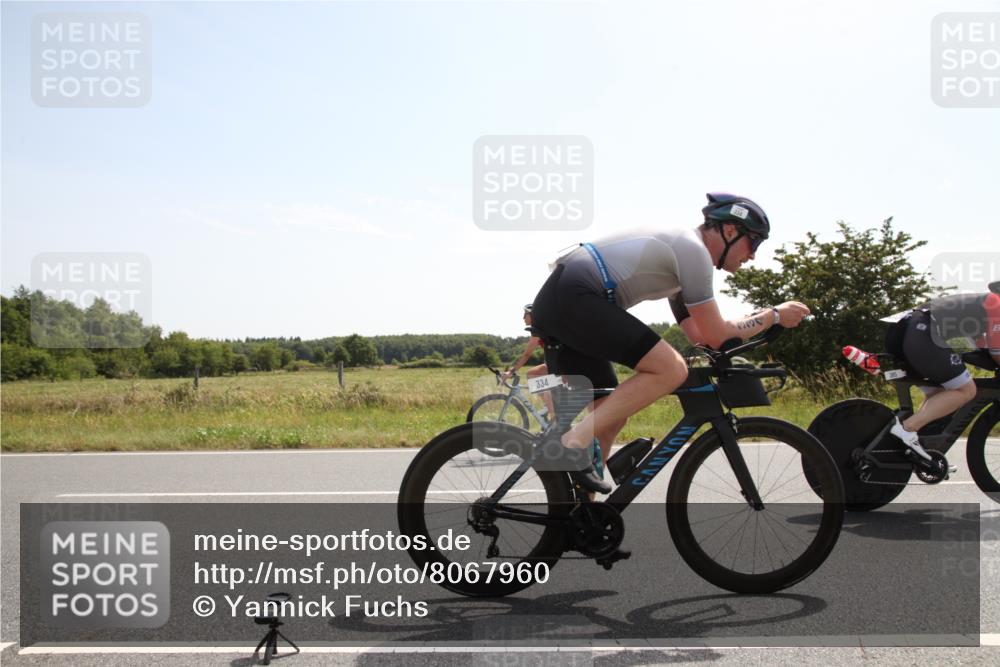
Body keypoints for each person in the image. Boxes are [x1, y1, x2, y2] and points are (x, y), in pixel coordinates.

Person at [531, 193, 811, 493]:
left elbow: (703, 337)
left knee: (609, 417)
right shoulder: (693, 251)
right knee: (671, 369)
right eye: (754, 242)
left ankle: (580, 516)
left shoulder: (684, 262)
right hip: (574, 295)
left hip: (567, 299)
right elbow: (717, 333)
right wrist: (774, 316)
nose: (753, 254)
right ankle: (571, 444)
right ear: (730, 231)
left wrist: (762, 321)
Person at [886, 288, 1000, 460]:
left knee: (941, 396)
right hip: (921, 332)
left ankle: (916, 448)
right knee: (967, 390)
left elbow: (980, 345)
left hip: (903, 330)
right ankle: (907, 429)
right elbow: (996, 352)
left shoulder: (982, 303)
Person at [503, 304, 555, 418]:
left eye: (525, 314)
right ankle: (550, 409)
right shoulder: (542, 328)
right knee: (533, 375)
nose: (523, 318)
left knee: (536, 378)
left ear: (532, 315)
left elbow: (527, 354)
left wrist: (511, 371)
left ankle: (554, 417)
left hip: (562, 366)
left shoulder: (539, 330)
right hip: (556, 364)